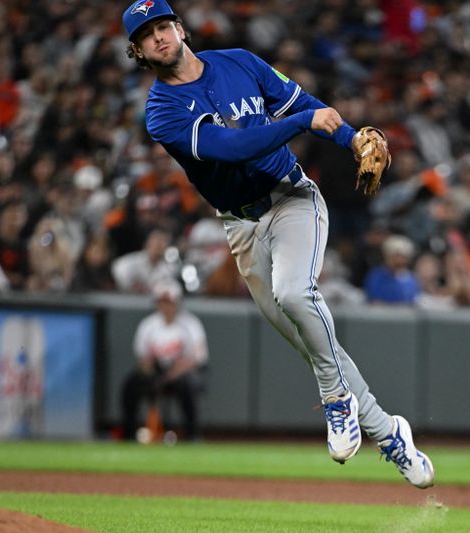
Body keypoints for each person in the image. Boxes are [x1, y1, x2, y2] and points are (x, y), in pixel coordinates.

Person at [121, 0, 433, 488]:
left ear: (180, 28)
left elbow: (307, 106)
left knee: (294, 294)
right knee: (314, 342)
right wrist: (301, 125)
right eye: (147, 35)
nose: (159, 37)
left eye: (163, 25)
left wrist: (351, 138)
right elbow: (235, 147)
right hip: (240, 226)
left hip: (291, 200)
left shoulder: (239, 62)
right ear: (138, 51)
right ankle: (390, 433)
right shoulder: (161, 111)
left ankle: (335, 402)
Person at [121, 280, 208, 441]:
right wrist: (152, 374)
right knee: (131, 383)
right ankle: (129, 433)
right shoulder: (149, 325)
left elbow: (197, 359)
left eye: (169, 302)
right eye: (162, 302)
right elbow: (143, 358)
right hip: (157, 370)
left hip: (181, 372)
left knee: (189, 384)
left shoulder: (190, 324)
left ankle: (193, 435)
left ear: (177, 303)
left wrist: (171, 375)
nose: (166, 307)